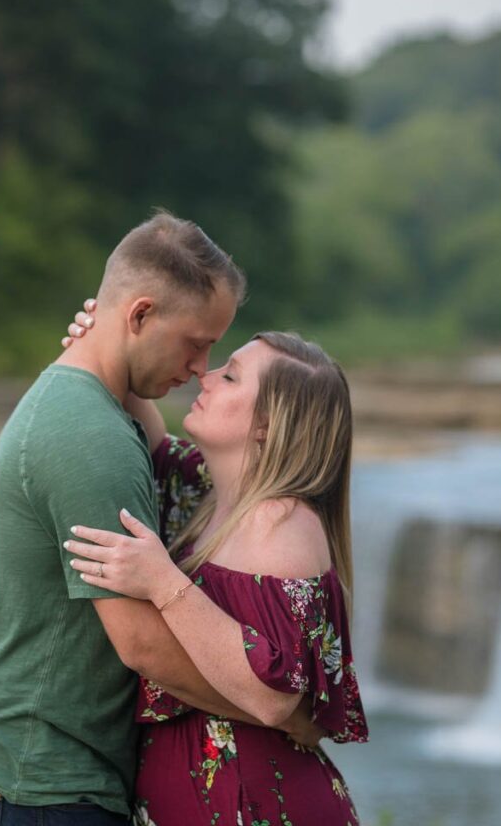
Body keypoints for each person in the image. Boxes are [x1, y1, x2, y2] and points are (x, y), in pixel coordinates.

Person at [0, 212, 319, 826]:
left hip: (32, 771)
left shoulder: (91, 408)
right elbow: (143, 644)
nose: (201, 367)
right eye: (196, 343)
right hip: (40, 782)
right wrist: (278, 710)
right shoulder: (92, 439)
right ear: (139, 315)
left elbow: (162, 454)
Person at [62, 312, 368, 824]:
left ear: (268, 426)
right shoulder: (210, 490)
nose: (206, 376)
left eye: (229, 376)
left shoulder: (282, 524)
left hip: (254, 805)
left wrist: (164, 583)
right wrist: (106, 350)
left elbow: (274, 700)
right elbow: (154, 443)